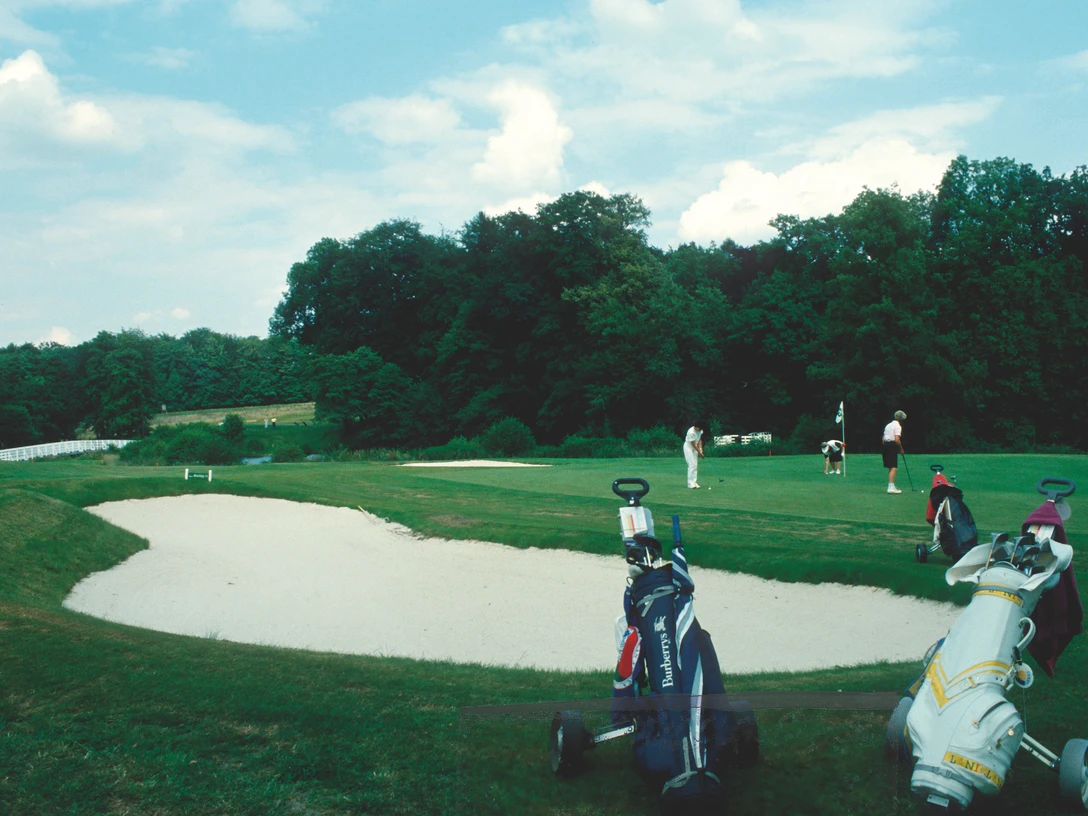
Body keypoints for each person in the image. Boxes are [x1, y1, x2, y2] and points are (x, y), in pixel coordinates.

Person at [882, 410, 906, 493]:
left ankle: (891, 485)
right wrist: (901, 449)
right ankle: (891, 487)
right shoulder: (898, 426)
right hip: (891, 445)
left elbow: (883, 437)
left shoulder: (888, 425)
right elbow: (897, 439)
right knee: (894, 467)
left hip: (885, 445)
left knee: (890, 466)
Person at [684, 423, 704, 488]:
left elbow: (700, 440)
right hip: (688, 448)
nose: (697, 429)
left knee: (695, 466)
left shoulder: (700, 431)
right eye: (696, 427)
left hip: (695, 449)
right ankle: (690, 484)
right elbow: (694, 444)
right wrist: (700, 453)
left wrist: (701, 449)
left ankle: (694, 482)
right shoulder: (691, 432)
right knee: (691, 465)